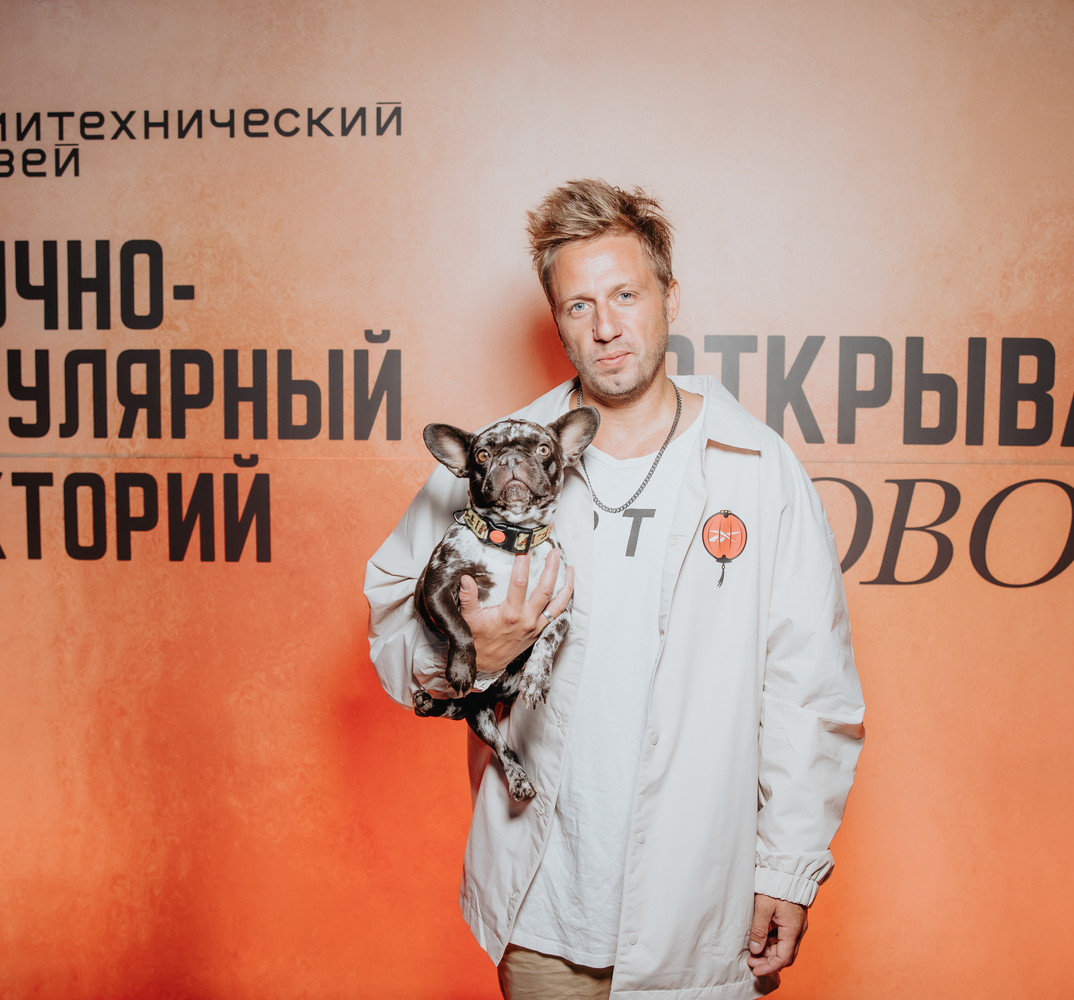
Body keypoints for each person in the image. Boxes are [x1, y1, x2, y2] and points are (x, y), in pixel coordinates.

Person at [364, 179, 864, 999]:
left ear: (669, 296)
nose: (605, 327)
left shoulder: (758, 467)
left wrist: (788, 867)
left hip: (700, 917)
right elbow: (391, 635)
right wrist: (474, 655)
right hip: (541, 911)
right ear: (556, 319)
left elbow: (808, 689)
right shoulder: (496, 462)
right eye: (578, 305)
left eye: (625, 295)